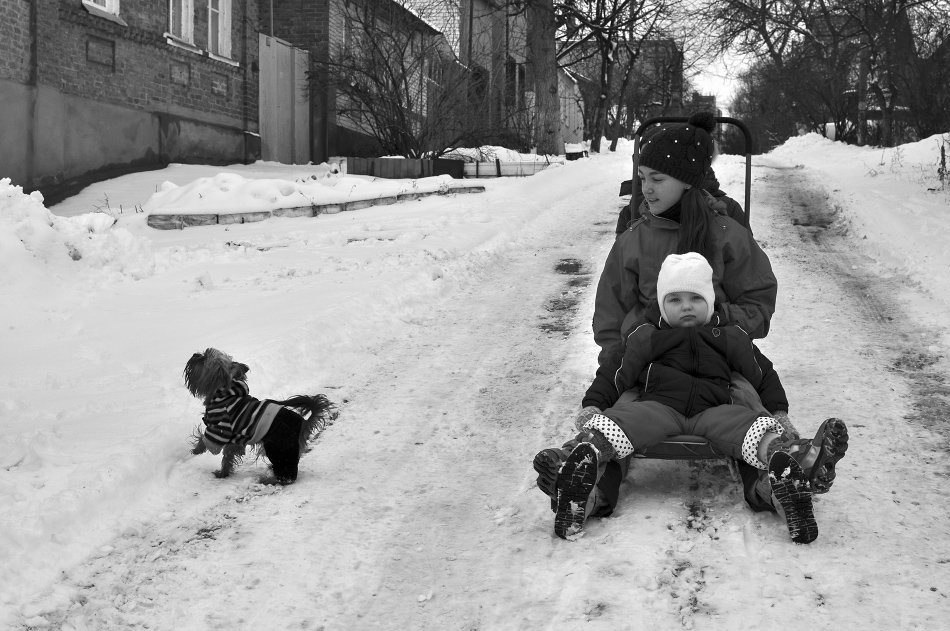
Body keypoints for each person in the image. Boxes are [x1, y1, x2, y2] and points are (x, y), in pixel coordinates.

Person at [533, 111, 808, 531]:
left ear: (687, 181)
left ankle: (778, 483)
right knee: (617, 420)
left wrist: (720, 324)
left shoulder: (726, 233)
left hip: (721, 361)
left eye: (657, 178)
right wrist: (621, 363)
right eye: (642, 176)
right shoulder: (635, 239)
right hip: (651, 363)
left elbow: (759, 300)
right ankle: (587, 492)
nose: (646, 188)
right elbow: (610, 309)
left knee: (751, 415)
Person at [544, 252, 849, 542]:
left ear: (710, 302)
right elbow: (615, 372)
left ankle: (790, 461)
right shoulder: (647, 336)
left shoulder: (728, 335)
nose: (686, 307)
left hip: (714, 409)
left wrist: (778, 411)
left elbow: (762, 373)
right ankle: (576, 461)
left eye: (696, 299)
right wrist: (593, 404)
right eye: (675, 300)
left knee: (754, 425)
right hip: (659, 406)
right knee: (616, 423)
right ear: (663, 305)